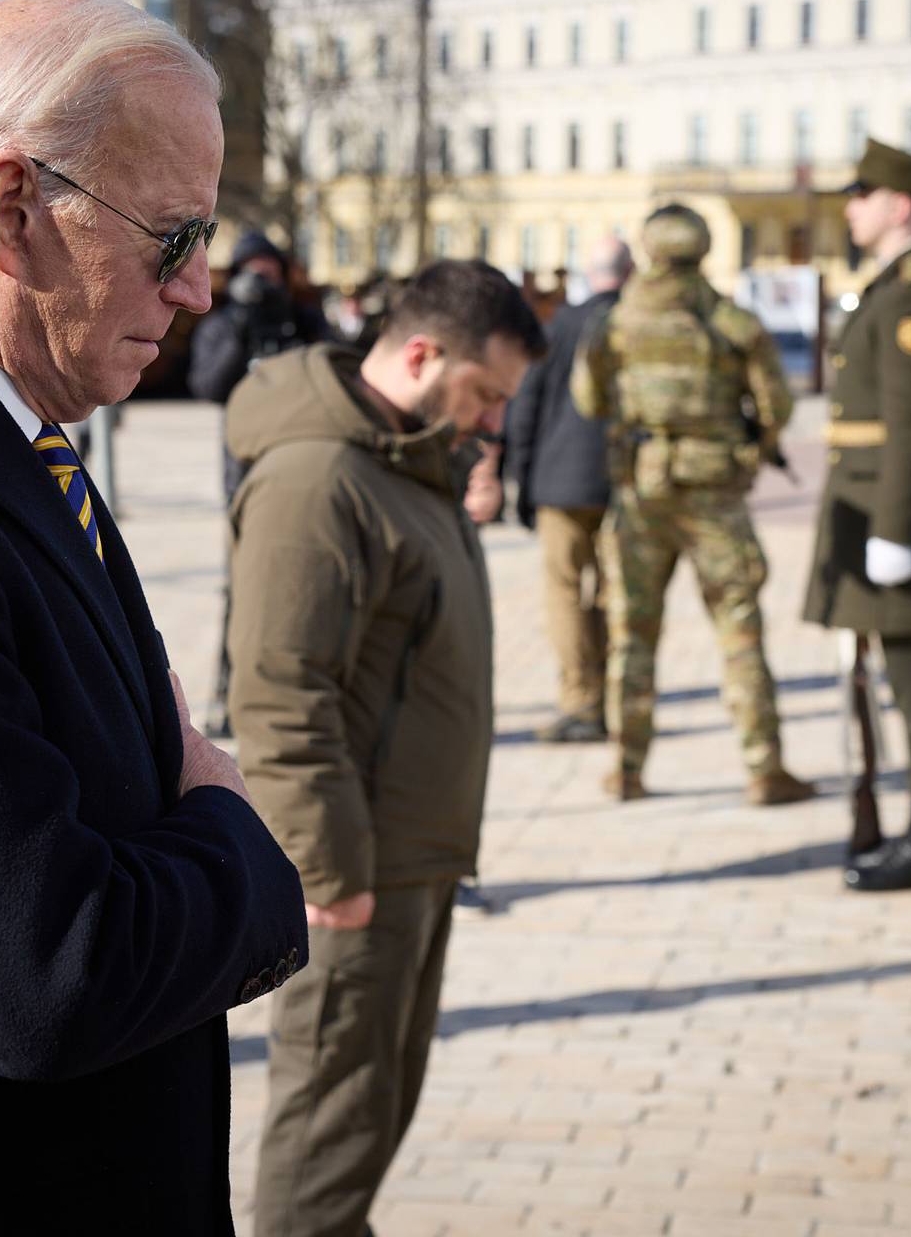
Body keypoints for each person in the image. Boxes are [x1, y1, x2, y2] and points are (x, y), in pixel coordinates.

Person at [0, 0, 309, 1235]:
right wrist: (231, 832)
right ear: (9, 210)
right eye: (172, 238)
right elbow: (52, 966)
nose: (201, 291)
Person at [224, 260, 545, 1237]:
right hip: (353, 870)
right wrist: (326, 869)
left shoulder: (402, 457)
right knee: (327, 1129)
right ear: (418, 353)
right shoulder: (320, 477)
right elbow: (280, 693)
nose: (490, 419)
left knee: (370, 1113)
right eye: (483, 393)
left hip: (411, 853)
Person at [572, 204, 813, 806]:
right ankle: (764, 768)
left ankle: (626, 768)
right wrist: (752, 442)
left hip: (640, 493)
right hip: (716, 494)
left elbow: (587, 397)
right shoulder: (732, 322)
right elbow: (778, 406)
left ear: (649, 248)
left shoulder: (617, 321)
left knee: (631, 633)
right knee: (739, 630)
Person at [803, 137, 911, 892]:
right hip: (868, 502)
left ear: (898, 204)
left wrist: (895, 532)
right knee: (891, 674)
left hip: (894, 509)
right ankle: (907, 829)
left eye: (862, 193)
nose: (851, 206)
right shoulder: (891, 283)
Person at [188, 229, 329, 736]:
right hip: (244, 474)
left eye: (271, 274)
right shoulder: (225, 322)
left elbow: (333, 379)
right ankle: (229, 693)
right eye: (253, 275)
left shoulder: (306, 321)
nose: (263, 285)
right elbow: (208, 385)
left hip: (307, 469)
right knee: (244, 588)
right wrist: (243, 324)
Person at [506, 235, 634, 742]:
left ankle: (579, 699)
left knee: (564, 593)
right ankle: (615, 699)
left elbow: (525, 406)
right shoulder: (636, 325)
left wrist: (520, 477)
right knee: (613, 592)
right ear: (631, 270)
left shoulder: (559, 325)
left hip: (559, 480)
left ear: (589, 271)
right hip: (623, 481)